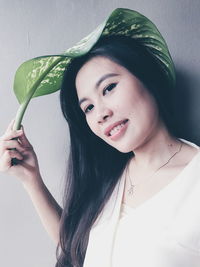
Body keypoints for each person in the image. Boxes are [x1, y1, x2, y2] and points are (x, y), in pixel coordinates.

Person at [0, 8, 200, 267]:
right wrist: (31, 180)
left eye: (109, 88)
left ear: (147, 76)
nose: (100, 114)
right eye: (88, 108)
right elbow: (79, 251)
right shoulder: (109, 175)